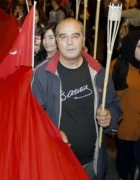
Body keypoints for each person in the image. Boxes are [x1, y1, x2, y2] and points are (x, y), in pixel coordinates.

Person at [31, 18, 122, 180]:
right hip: (56, 162)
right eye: (63, 37)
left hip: (91, 163)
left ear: (83, 39)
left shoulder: (99, 73)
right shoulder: (42, 75)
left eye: (75, 36)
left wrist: (109, 117)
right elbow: (32, 118)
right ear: (57, 41)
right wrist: (52, 133)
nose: (70, 43)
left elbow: (114, 105)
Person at [110, 30, 140, 180]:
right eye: (139, 46)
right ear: (130, 46)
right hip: (125, 126)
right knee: (125, 161)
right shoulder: (117, 66)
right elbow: (107, 97)